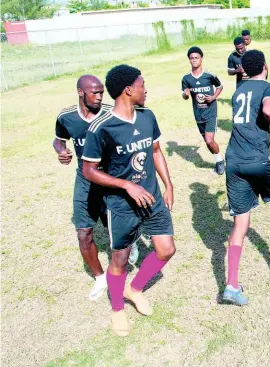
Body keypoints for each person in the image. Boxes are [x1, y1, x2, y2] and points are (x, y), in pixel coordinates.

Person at [82, 64, 176, 337]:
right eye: (142, 85)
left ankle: (134, 289)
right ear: (128, 89)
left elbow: (156, 151)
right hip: (121, 205)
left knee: (166, 250)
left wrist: (168, 185)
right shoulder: (102, 127)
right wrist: (126, 185)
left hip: (153, 197)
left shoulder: (147, 117)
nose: (145, 90)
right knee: (120, 260)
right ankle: (117, 310)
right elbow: (89, 170)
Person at [222, 50, 270, 306]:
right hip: (257, 159)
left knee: (240, 223)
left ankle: (232, 285)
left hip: (233, 160)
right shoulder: (267, 87)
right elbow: (267, 108)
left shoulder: (238, 90)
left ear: (243, 69)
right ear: (265, 66)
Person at [53, 75, 112, 301]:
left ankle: (130, 245)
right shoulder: (66, 116)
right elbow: (58, 139)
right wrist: (61, 150)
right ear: (80, 92)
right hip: (85, 180)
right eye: (94, 93)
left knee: (115, 227)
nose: (99, 97)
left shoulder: (110, 113)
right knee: (84, 233)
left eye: (101, 93)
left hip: (110, 178)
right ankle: (100, 277)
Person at [181, 46, 225, 175]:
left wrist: (213, 97)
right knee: (207, 141)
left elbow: (220, 86)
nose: (194, 60)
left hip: (211, 112)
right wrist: (186, 94)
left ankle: (220, 162)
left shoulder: (209, 75)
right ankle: (218, 159)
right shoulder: (186, 79)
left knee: (209, 140)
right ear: (189, 60)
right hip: (198, 113)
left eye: (196, 58)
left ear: (201, 59)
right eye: (191, 58)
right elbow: (184, 96)